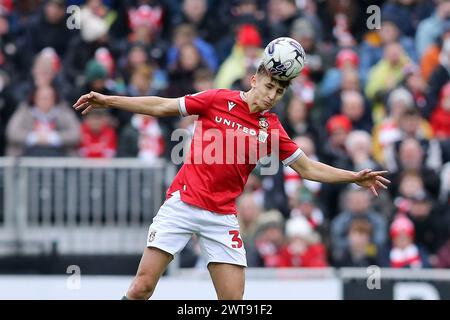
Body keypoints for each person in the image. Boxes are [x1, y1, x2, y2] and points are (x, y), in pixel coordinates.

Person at [73, 63, 390, 300]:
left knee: (233, 303)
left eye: (279, 92)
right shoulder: (217, 100)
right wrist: (109, 100)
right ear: (255, 80)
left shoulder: (272, 129)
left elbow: (308, 169)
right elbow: (162, 105)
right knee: (142, 287)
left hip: (222, 216)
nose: (271, 96)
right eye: (268, 87)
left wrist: (354, 177)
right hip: (183, 203)